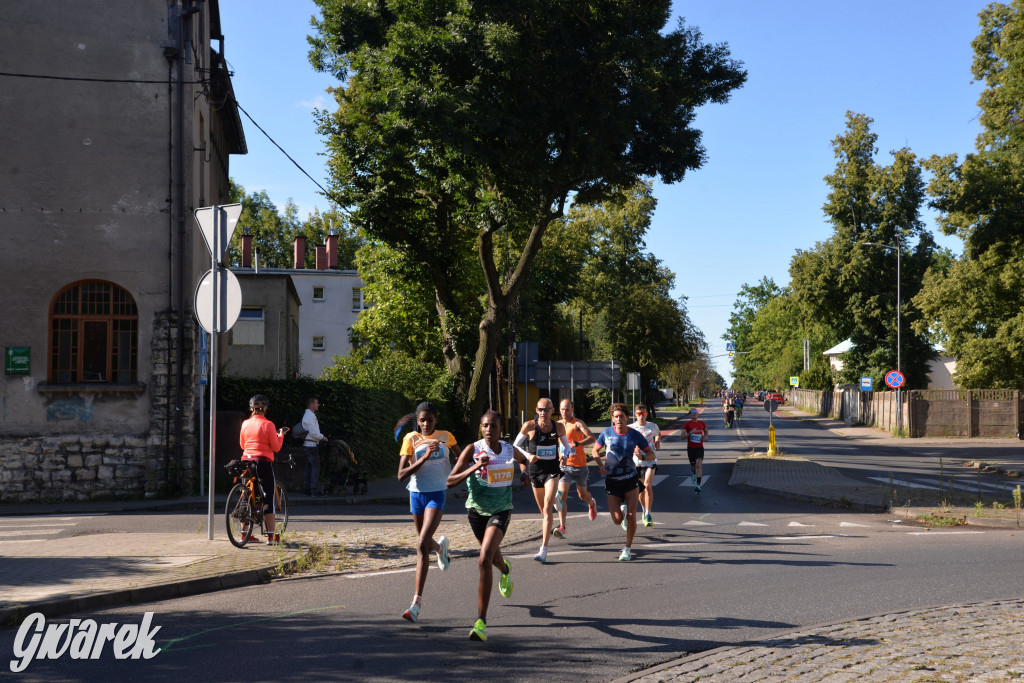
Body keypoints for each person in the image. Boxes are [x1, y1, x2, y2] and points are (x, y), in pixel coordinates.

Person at [447, 409, 532, 642]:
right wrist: (475, 467)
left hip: (502, 509)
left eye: (493, 426)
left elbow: (525, 461)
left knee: (484, 558)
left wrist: (524, 475)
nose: (488, 430)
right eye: (484, 426)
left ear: (500, 429)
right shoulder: (472, 450)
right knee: (493, 557)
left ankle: (481, 622)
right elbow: (449, 481)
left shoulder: (507, 449)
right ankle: (505, 570)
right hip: (476, 512)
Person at [395, 401, 458, 623]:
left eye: (429, 420)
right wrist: (422, 457)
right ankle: (441, 548)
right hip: (416, 494)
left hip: (436, 493)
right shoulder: (410, 439)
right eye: (421, 420)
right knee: (425, 542)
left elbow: (461, 458)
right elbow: (401, 474)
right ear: (417, 421)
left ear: (436, 420)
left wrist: (464, 474)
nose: (425, 424)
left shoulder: (445, 436)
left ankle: (415, 605)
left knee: (421, 545)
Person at [591, 402, 657, 561]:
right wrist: (600, 464)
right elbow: (594, 450)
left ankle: (627, 548)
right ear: (612, 419)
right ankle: (622, 508)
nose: (619, 419)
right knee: (617, 520)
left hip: (630, 479)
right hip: (612, 481)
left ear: (627, 417)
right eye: (616, 417)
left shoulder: (634, 435)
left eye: (621, 416)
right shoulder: (606, 433)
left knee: (632, 516)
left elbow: (651, 454)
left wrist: (642, 456)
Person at [514, 398, 571, 563]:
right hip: (535, 472)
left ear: (552, 410)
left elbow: (566, 447)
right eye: (540, 409)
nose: (543, 413)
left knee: (547, 507)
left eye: (546, 410)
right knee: (543, 512)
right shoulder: (529, 426)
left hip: (552, 470)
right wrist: (528, 455)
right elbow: (515, 446)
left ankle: (543, 550)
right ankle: (556, 499)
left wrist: (564, 456)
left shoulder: (558, 427)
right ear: (536, 410)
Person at [238, 394, 287, 545]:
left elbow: (242, 444)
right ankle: (272, 536)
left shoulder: (245, 424)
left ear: (251, 408)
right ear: (265, 408)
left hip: (246, 461)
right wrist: (281, 435)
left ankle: (244, 534)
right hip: (262, 462)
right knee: (268, 497)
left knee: (246, 495)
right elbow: (276, 447)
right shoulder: (269, 425)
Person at [553, 398, 598, 539]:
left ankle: (591, 503)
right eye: (562, 409)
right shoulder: (557, 425)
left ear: (572, 409)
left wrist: (577, 444)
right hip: (564, 466)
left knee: (582, 495)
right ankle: (562, 527)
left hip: (580, 467)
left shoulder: (577, 423)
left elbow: (592, 438)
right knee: (562, 495)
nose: (564, 412)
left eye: (567, 409)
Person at [628, 403, 661, 527]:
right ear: (635, 415)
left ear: (646, 414)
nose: (641, 416)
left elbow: (658, 433)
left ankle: (648, 513)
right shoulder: (630, 428)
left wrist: (657, 441)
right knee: (640, 491)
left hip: (651, 460)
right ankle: (643, 509)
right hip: (636, 462)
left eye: (644, 414)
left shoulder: (652, 426)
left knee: (647, 485)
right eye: (639, 414)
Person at [301, 397, 328, 497]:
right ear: (311, 404)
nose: (318, 405)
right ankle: (314, 490)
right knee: (315, 467)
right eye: (317, 403)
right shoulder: (309, 416)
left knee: (309, 468)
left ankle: (308, 489)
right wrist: (323, 438)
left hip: (309, 445)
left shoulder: (309, 415)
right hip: (311, 446)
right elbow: (313, 432)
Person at [682, 408, 709, 494]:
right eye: (692, 412)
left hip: (699, 448)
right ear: (690, 415)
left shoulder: (702, 423)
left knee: (699, 465)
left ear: (698, 414)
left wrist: (706, 437)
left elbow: (706, 431)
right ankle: (693, 473)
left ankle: (698, 485)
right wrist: (690, 433)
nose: (694, 414)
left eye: (695, 412)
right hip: (691, 448)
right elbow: (682, 437)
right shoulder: (687, 424)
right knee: (693, 466)